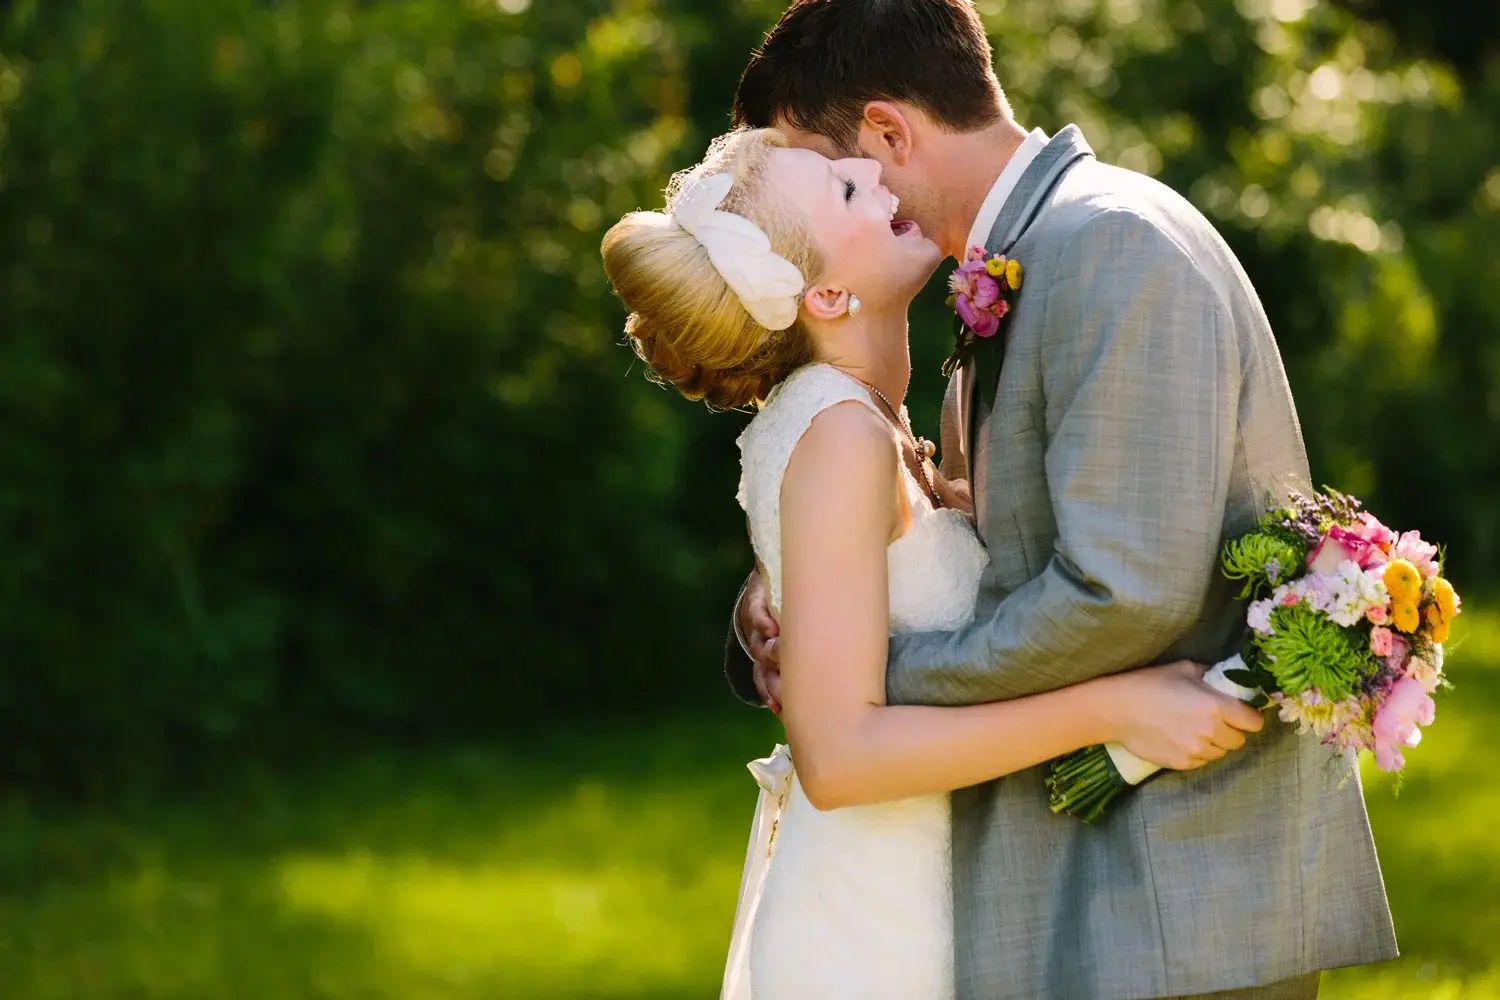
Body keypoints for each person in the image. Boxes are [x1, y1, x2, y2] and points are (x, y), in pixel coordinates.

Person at [723, 2, 1397, 999]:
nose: (828, 208)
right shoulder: (1029, 262)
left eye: (831, 172)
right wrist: (794, 602)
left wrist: (867, 683)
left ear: (888, 133)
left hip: (1167, 896)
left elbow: (1119, 590)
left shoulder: (1109, 247)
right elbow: (979, 540)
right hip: (1099, 895)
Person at [602, 126, 1265, 1000]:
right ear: (829, 295)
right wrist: (1120, 706)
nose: (872, 174)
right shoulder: (840, 435)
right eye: (843, 190)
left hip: (934, 887)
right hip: (879, 928)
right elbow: (838, 760)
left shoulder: (867, 426)